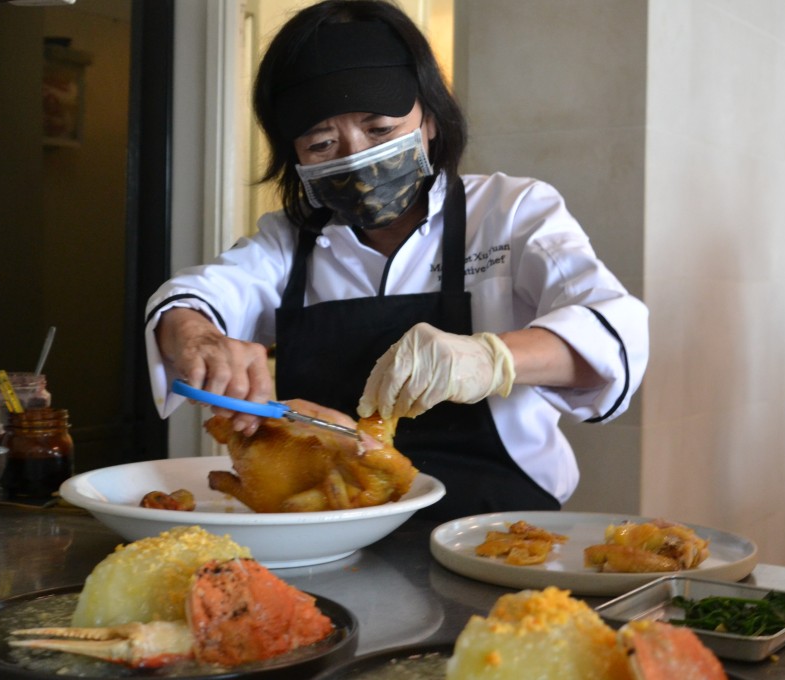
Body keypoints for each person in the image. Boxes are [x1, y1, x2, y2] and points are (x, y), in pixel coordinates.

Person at [144, 0, 649, 520]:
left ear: (429, 118)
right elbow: (197, 297)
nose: (355, 157)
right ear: (295, 157)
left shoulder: (510, 212)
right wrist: (198, 338)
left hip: (496, 524)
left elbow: (615, 332)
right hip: (328, 528)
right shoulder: (286, 242)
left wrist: (491, 358)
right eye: (322, 143)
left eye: (380, 130)